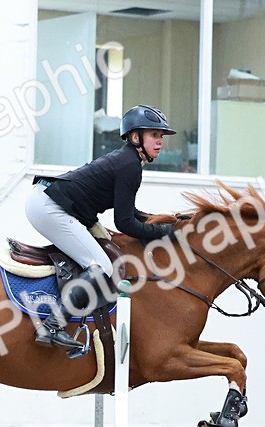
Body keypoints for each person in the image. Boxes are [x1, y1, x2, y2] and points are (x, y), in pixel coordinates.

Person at [25, 104, 179, 350]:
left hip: (50, 202)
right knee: (101, 266)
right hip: (50, 207)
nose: (160, 142)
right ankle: (53, 325)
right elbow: (125, 222)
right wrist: (163, 233)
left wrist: (163, 222)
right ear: (135, 137)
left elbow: (129, 213)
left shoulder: (127, 160)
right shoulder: (129, 166)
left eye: (161, 136)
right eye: (154, 135)